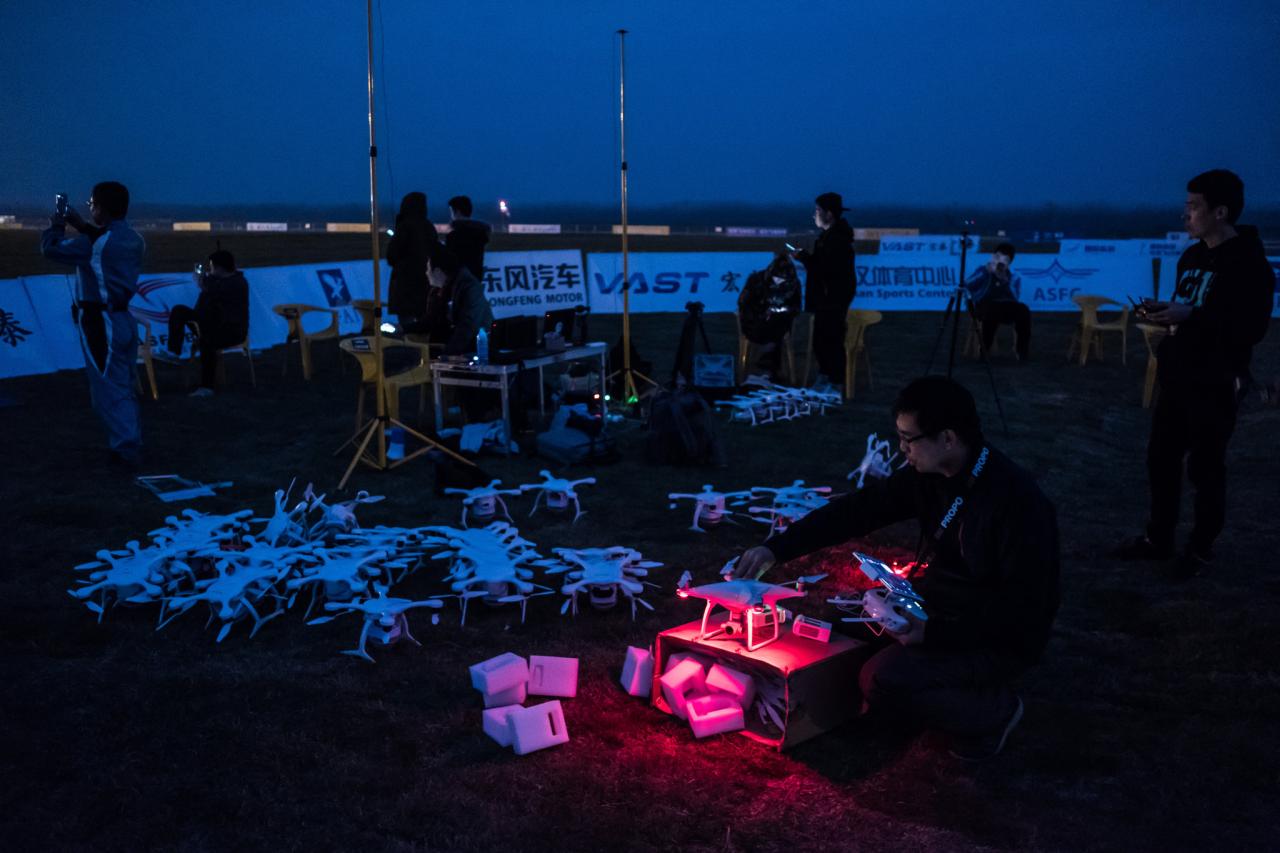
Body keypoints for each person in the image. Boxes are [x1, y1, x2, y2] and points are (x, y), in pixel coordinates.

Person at [734, 376, 1060, 760]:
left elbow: (1026, 612)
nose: (902, 449)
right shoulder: (928, 477)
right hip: (938, 606)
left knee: (881, 678)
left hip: (994, 636)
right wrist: (776, 549)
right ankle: (900, 697)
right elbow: (858, 511)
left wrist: (934, 634)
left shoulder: (1015, 504)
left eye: (909, 439)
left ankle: (994, 712)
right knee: (839, 634)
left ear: (948, 439)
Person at [1116, 169, 1273, 579]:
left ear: (1220, 212)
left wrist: (1192, 316)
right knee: (1161, 459)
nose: (1185, 214)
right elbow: (1193, 309)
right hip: (1179, 375)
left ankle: (1200, 548)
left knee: (1205, 467)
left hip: (1216, 379)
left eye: (1193, 206)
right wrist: (1167, 312)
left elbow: (1250, 327)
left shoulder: (1249, 263)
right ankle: (1159, 538)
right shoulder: (1192, 256)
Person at [40, 181, 146, 467]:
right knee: (123, 385)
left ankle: (125, 449)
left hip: (101, 322)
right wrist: (82, 224)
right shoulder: (134, 239)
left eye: (92, 205)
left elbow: (50, 249)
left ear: (101, 208)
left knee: (107, 391)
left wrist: (58, 225)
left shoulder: (94, 243)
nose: (90, 208)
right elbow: (102, 242)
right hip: (124, 318)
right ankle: (130, 440)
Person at [792, 192, 856, 391]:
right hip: (826, 296)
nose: (814, 215)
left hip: (832, 296)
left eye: (818, 211)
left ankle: (834, 382)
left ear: (829, 214)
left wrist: (804, 258)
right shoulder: (829, 237)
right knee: (822, 340)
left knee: (831, 339)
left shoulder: (836, 239)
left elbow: (826, 268)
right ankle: (826, 377)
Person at [165, 249, 249, 397]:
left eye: (211, 266)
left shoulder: (236, 283)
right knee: (179, 311)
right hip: (211, 324)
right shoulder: (220, 281)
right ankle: (174, 351)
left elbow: (217, 293)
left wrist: (203, 282)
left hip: (231, 330)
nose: (210, 269)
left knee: (207, 342)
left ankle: (207, 386)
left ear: (220, 268)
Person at [963, 242, 1031, 361]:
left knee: (1024, 310)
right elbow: (967, 284)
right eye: (998, 256)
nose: (1000, 261)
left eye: (1005, 259)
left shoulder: (1013, 276)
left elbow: (1015, 297)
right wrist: (986, 272)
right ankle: (984, 351)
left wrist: (1005, 281)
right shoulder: (983, 270)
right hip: (983, 305)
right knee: (991, 311)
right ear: (994, 256)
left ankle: (1022, 351)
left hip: (1005, 307)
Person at [737, 252, 802, 377]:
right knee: (772, 328)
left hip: (780, 324)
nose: (779, 282)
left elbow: (796, 307)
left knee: (777, 324)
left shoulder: (793, 285)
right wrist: (762, 311)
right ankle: (766, 365)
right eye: (777, 278)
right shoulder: (756, 281)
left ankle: (767, 366)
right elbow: (744, 303)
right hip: (754, 323)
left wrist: (783, 309)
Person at [386, 192, 438, 333]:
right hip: (426, 285)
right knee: (423, 327)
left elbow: (391, 255)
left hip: (405, 286)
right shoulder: (429, 227)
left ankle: (410, 351)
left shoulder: (405, 226)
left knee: (406, 329)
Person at [427, 243, 492, 356]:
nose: (426, 273)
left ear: (437, 271)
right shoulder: (441, 290)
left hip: (476, 349)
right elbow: (431, 320)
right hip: (459, 347)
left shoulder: (469, 288)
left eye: (428, 269)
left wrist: (446, 355)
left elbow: (467, 326)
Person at [444, 195, 492, 281]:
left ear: (457, 212)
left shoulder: (454, 236)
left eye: (451, 211)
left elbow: (449, 261)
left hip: (458, 282)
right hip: (475, 279)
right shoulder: (480, 233)